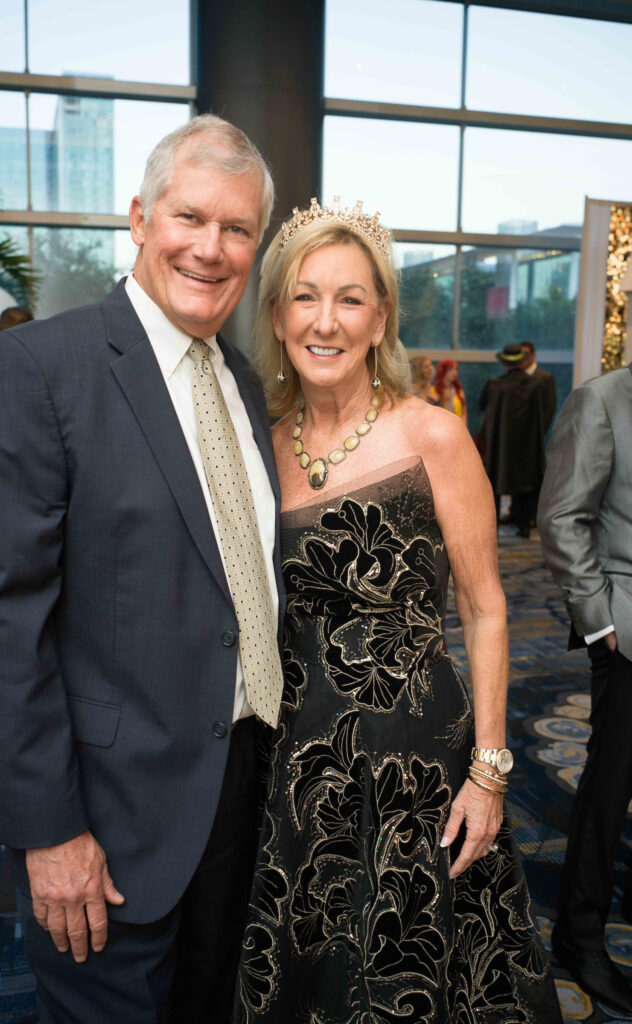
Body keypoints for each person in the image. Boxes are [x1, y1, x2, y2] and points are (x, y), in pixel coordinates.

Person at [0, 115, 283, 1024]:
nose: (211, 249)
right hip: (106, 819)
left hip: (237, 790)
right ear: (139, 218)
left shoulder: (242, 382)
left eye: (238, 229)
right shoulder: (40, 368)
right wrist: (48, 830)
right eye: (190, 218)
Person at [233, 198, 561, 1023]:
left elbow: (488, 609)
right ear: (278, 314)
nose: (326, 320)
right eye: (306, 296)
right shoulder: (258, 444)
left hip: (415, 757)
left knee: (410, 965)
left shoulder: (433, 437)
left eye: (350, 298)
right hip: (294, 757)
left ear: (381, 318)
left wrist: (490, 772)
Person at [537, 364, 632, 1016]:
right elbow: (563, 515)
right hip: (627, 632)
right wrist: (602, 623)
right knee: (610, 789)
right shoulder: (603, 400)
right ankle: (580, 934)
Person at [479, 344, 546, 538]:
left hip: (499, 446)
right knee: (524, 487)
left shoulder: (495, 385)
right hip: (526, 447)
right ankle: (523, 527)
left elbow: (481, 404)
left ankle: (493, 529)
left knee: (495, 488)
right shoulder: (535, 385)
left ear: (505, 364)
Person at [520, 340, 557, 432]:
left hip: (536, 430)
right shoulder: (514, 377)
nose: (523, 358)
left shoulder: (545, 378)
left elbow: (550, 407)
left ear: (533, 356)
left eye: (526, 354)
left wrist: (541, 431)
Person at [434, 357, 467, 424]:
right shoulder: (433, 391)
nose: (454, 372)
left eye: (456, 369)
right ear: (442, 371)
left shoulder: (459, 391)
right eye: (450, 369)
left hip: (457, 427)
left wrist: (463, 426)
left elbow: (464, 412)